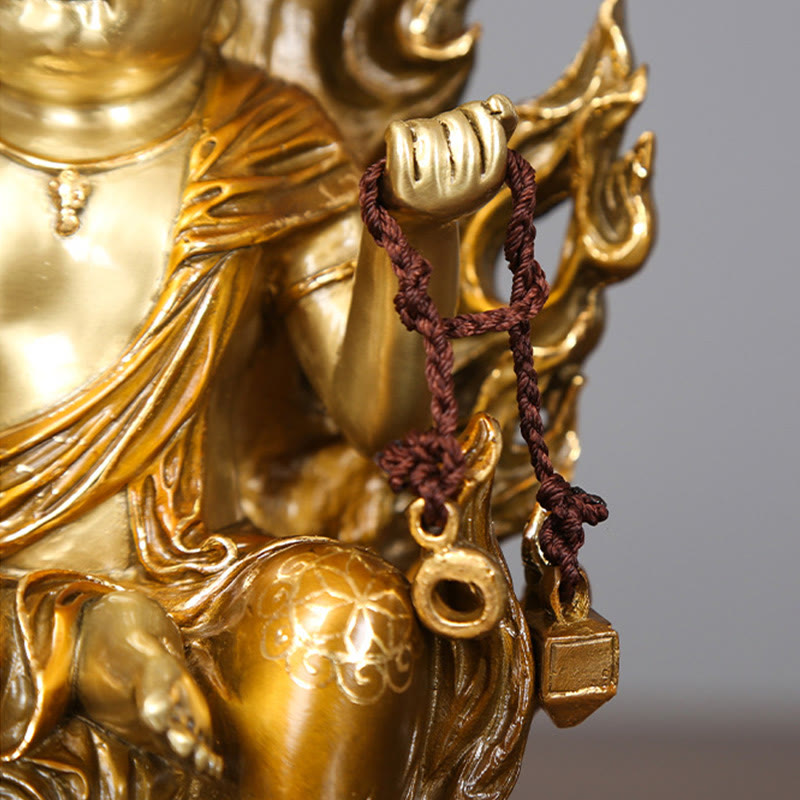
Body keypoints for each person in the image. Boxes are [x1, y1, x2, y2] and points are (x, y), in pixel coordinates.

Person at [0, 2, 534, 798]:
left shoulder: (263, 139)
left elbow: (389, 424)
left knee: (349, 612)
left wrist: (418, 233)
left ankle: (105, 641)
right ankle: (78, 644)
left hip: (190, 571)